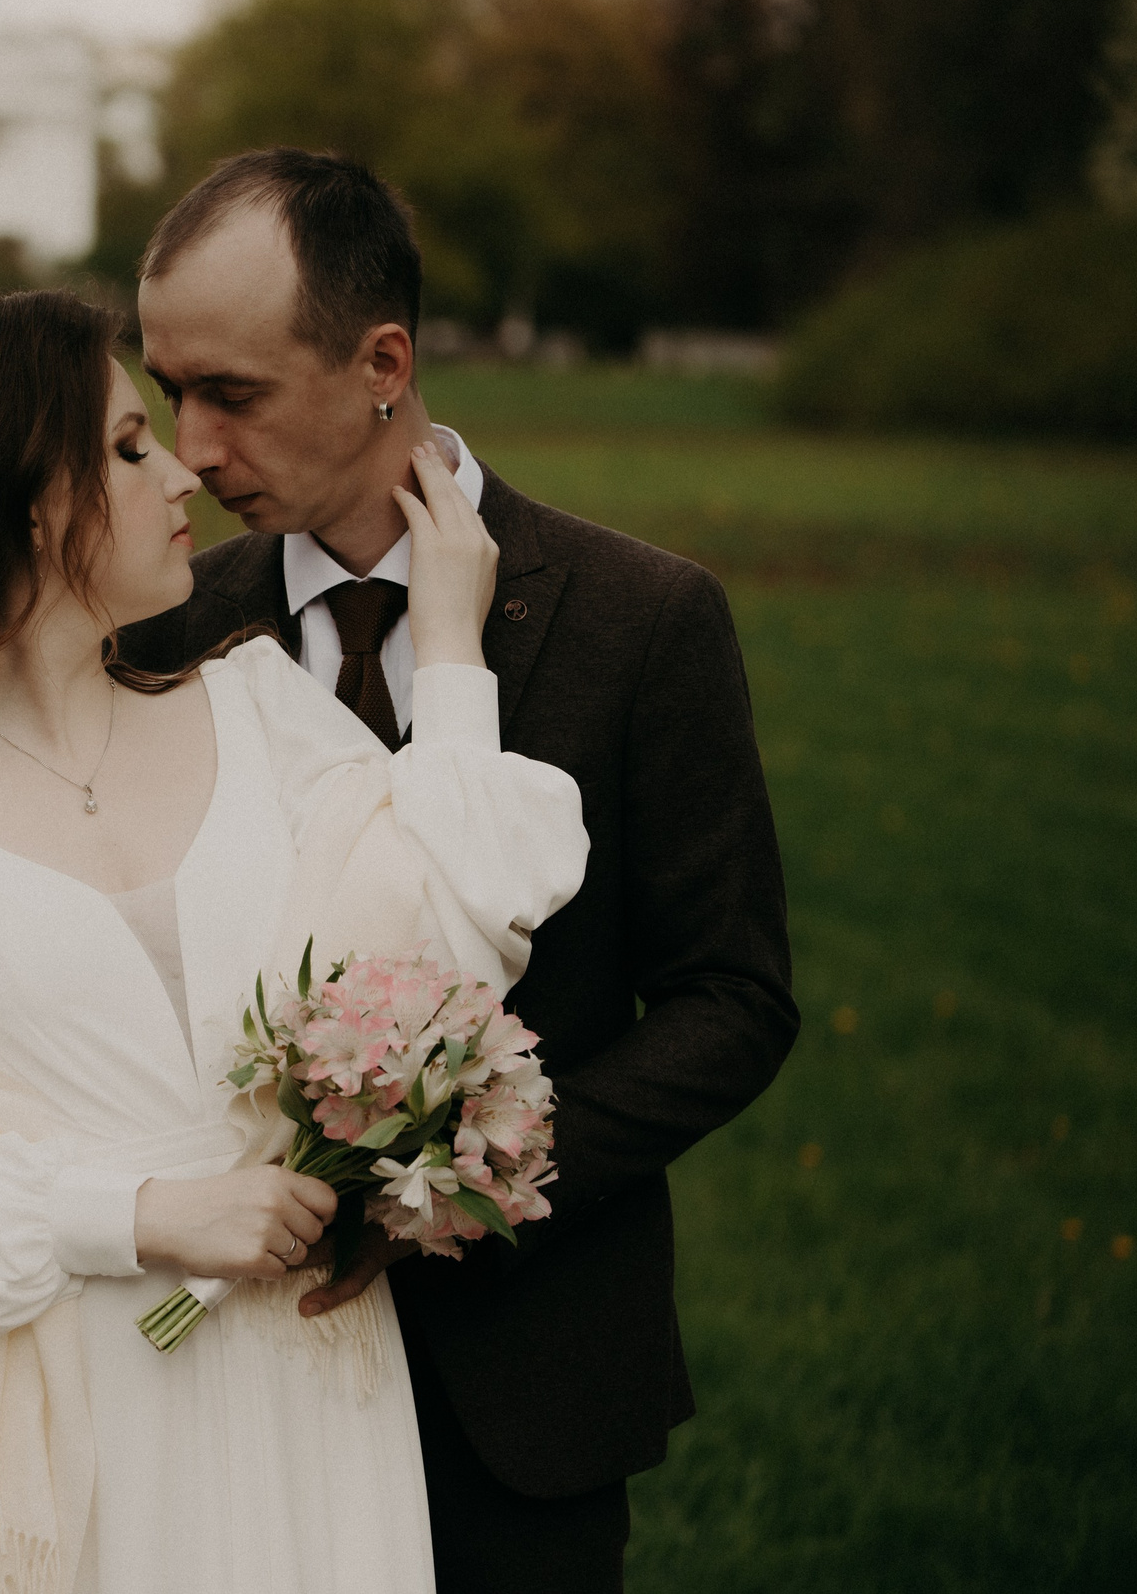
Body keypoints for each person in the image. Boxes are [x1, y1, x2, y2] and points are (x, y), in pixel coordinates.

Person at [0, 289, 590, 1593]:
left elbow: (445, 958)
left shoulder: (261, 712)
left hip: (307, 1391)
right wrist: (142, 1216)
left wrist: (454, 660)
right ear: (26, 500)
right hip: (69, 1407)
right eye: (130, 446)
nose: (184, 466)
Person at [117, 148, 800, 1593]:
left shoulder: (641, 617)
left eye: (231, 393)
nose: (192, 450)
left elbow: (730, 998)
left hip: (527, 1382)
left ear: (384, 361)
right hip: (232, 1380)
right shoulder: (167, 630)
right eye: (167, 392)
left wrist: (476, 1184)